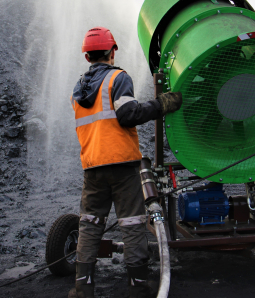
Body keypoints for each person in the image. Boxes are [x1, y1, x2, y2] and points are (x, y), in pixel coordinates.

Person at [69, 27, 182, 298]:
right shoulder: (118, 78)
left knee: (90, 224)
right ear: (112, 52)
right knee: (131, 223)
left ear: (87, 57)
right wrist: (161, 104)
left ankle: (83, 287)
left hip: (92, 167)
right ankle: (138, 286)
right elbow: (128, 114)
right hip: (122, 164)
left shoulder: (78, 89)